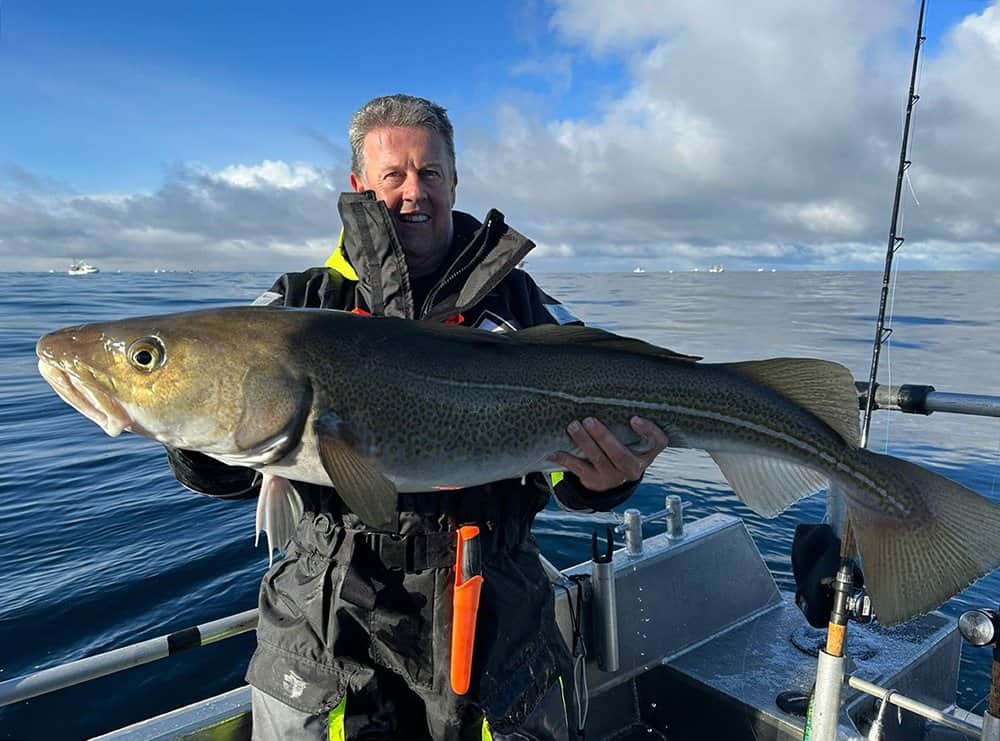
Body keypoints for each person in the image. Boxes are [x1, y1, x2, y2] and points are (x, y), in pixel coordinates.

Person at [165, 94, 669, 740]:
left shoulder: (522, 305)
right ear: (360, 185)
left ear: (455, 180)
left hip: (495, 631)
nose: (413, 192)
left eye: (429, 173)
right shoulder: (296, 305)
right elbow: (227, 462)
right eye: (393, 175)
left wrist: (609, 480)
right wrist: (187, 431)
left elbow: (568, 470)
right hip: (329, 633)